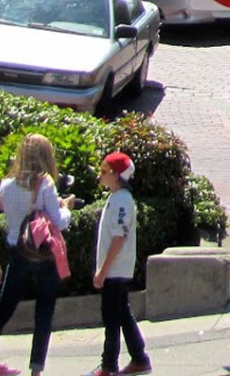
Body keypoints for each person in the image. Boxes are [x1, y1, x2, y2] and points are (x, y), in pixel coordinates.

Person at [0, 133, 76, 376]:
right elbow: (58, 222)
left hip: (17, 252)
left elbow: (3, 212)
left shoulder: (6, 185)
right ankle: (36, 369)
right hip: (43, 255)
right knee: (44, 310)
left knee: (3, 308)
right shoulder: (46, 183)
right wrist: (66, 208)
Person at [86, 152, 150, 376]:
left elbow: (119, 237)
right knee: (122, 313)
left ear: (116, 175)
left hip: (114, 270)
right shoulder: (116, 198)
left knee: (111, 317)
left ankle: (108, 366)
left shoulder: (122, 200)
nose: (101, 175)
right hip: (114, 269)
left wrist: (102, 271)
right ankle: (139, 358)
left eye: (105, 171)